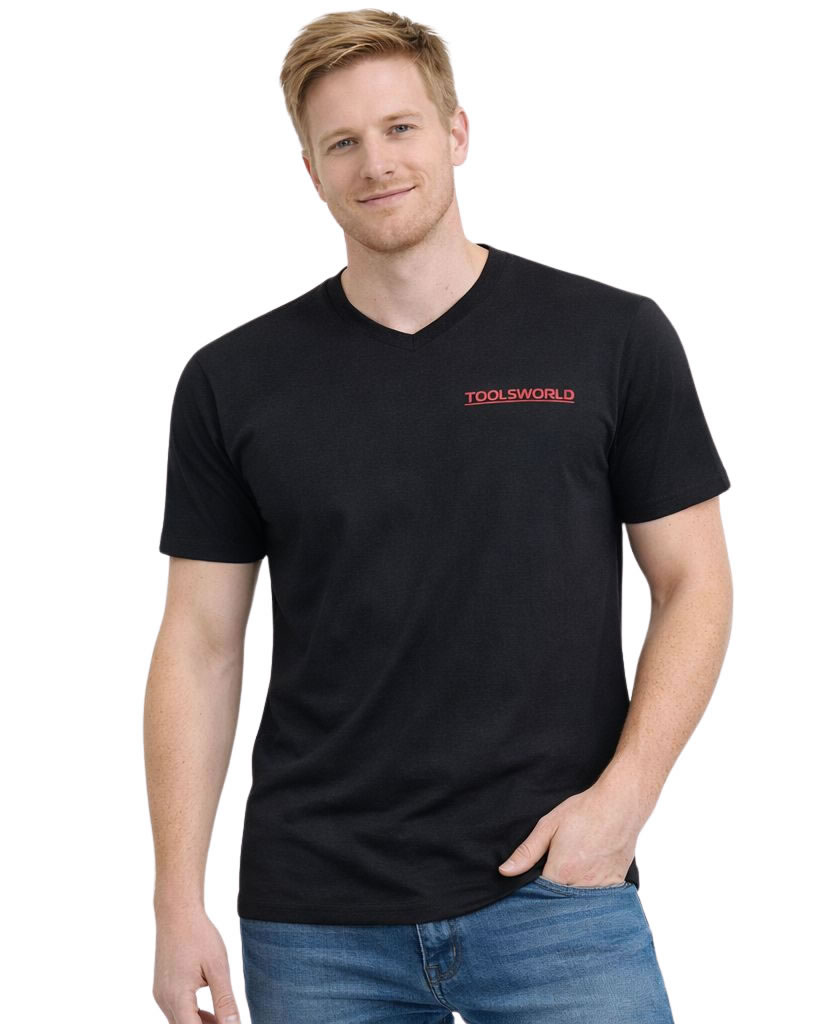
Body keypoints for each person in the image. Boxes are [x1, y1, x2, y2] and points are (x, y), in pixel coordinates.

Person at [145, 9, 733, 1024]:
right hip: (316, 919)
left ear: (457, 132)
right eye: (343, 142)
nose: (376, 162)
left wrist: (627, 797)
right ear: (311, 171)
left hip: (558, 891)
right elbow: (198, 644)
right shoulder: (233, 382)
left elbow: (695, 581)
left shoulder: (610, 337)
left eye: (400, 128)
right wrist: (174, 901)